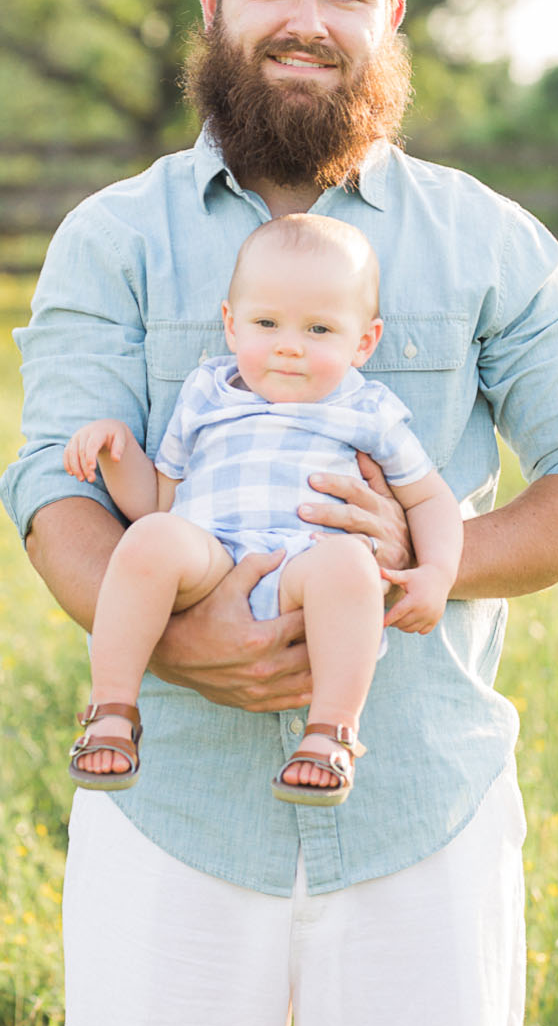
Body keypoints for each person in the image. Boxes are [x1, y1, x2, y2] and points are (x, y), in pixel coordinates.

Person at [0, 0, 558, 1026]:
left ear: (388, 16)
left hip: (421, 801)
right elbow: (55, 495)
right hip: (170, 806)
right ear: (212, 0)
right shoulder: (111, 235)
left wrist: (432, 560)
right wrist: (165, 643)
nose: (306, 20)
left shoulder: (487, 239)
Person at [63, 214, 461, 805]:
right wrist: (115, 449)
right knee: (148, 540)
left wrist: (437, 572)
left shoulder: (369, 408)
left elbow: (429, 497)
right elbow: (159, 500)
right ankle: (112, 710)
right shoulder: (207, 391)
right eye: (266, 322)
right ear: (231, 324)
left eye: (320, 329)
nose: (288, 345)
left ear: (364, 342)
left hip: (305, 565)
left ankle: (331, 733)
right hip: (212, 558)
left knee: (350, 565)